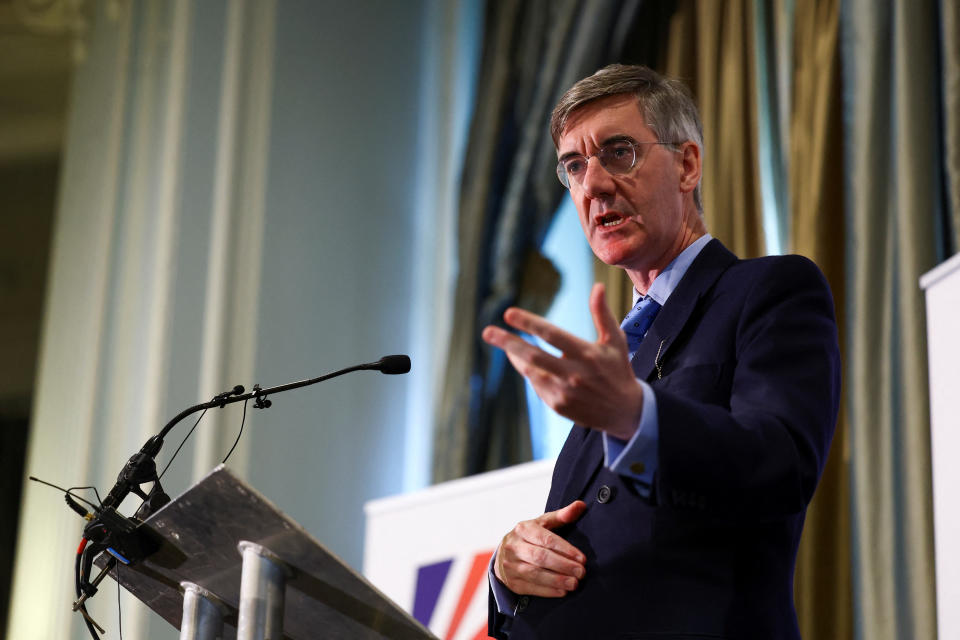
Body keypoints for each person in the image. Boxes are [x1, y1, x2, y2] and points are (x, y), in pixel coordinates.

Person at [482, 64, 840, 639]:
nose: (593, 184)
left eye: (618, 152)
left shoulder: (768, 291)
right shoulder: (616, 351)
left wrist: (635, 417)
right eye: (574, 166)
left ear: (687, 164)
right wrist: (508, 571)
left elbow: (780, 466)